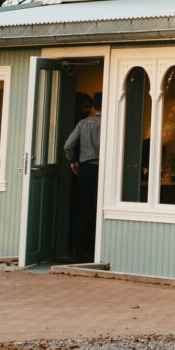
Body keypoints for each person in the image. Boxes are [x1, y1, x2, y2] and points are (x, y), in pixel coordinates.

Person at [63, 92, 104, 261]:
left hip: (85, 170)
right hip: (103, 171)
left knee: (83, 211)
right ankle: (96, 252)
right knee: (98, 211)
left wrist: (73, 162)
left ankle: (78, 252)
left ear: (94, 106)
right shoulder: (111, 123)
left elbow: (68, 145)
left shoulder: (83, 123)